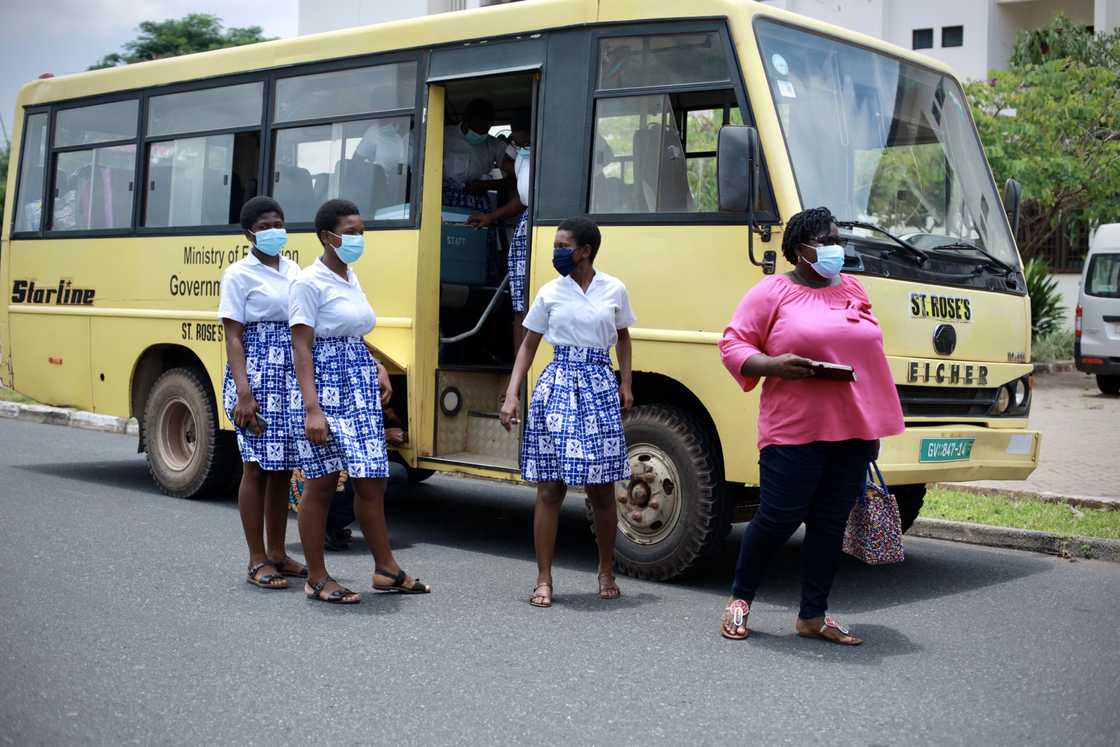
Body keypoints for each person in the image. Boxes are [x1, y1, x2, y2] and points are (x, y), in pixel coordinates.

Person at [717, 206, 904, 644]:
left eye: (839, 239)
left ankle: (813, 616)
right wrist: (773, 365)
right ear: (801, 249)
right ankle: (740, 600)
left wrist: (873, 427)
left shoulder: (854, 288)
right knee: (778, 517)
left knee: (830, 522)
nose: (837, 248)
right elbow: (732, 344)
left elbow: (869, 358)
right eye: (828, 240)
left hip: (853, 428)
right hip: (794, 428)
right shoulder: (772, 291)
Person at [288, 198, 431, 604]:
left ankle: (386, 569)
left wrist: (376, 365)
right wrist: (312, 409)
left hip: (359, 386)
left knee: (373, 480)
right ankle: (317, 578)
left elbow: (352, 330)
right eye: (350, 232)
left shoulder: (350, 276)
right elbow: (302, 347)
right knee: (321, 483)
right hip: (326, 389)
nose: (357, 239)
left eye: (360, 232)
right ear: (326, 237)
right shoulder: (308, 283)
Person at [500, 217, 635, 608]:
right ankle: (544, 579)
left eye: (563, 245)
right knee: (550, 488)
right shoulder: (549, 293)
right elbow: (528, 345)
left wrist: (625, 384)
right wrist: (512, 395)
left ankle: (606, 571)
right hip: (557, 385)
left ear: (585, 251)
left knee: (601, 488)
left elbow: (623, 338)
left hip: (597, 385)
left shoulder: (615, 289)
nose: (556, 252)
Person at [218, 196, 307, 589]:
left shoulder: (294, 269)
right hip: (256, 375)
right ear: (250, 232)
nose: (276, 231)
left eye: (280, 223)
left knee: (283, 467)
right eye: (267, 225)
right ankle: (257, 559)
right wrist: (244, 393)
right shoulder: (238, 274)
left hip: (289, 376)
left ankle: (278, 552)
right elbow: (233, 336)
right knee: (255, 465)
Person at [469, 110, 532, 358]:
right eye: (516, 141)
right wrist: (489, 218)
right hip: (525, 224)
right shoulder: (521, 160)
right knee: (520, 304)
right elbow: (520, 200)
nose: (518, 144)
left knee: (532, 304)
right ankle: (519, 373)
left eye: (523, 140)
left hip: (538, 222)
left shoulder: (545, 155)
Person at [442, 98, 509, 211]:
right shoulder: (444, 135)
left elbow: (512, 178)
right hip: (446, 199)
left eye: (484, 131)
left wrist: (485, 185)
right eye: (476, 129)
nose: (479, 134)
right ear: (465, 121)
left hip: (477, 200)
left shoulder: (494, 145)